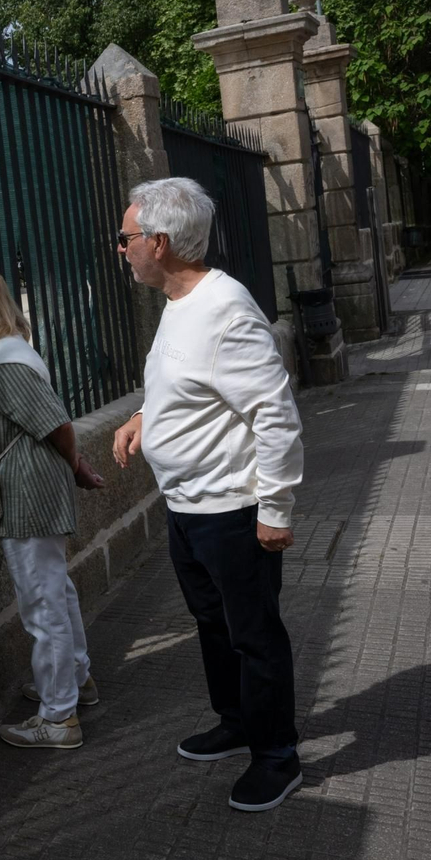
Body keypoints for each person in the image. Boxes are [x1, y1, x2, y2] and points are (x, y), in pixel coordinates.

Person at [111, 178, 306, 812]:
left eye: (127, 237)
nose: (121, 248)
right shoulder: (177, 301)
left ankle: (277, 756)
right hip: (188, 507)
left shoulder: (225, 309)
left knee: (254, 636)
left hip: (232, 510)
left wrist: (275, 510)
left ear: (159, 243)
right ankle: (237, 721)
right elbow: (183, 380)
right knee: (213, 626)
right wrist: (147, 414)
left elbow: (275, 415)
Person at [0, 267, 106, 750]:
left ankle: (58, 718)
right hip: (24, 488)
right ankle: (75, 682)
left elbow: (56, 423)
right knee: (55, 591)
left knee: (42, 601)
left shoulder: (4, 365)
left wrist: (78, 467)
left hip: (27, 492)